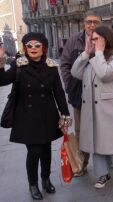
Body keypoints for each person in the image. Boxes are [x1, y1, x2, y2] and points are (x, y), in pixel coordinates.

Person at [0, 32, 71, 200]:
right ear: (25, 48)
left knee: (46, 151)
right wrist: (1, 61)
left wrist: (65, 114)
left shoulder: (51, 67)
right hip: (26, 117)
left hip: (47, 115)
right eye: (29, 46)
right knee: (34, 152)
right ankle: (33, 184)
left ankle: (45, 179)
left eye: (37, 46)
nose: (33, 49)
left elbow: (59, 93)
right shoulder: (19, 65)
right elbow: (2, 80)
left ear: (43, 48)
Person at [71, 25, 113, 189]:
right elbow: (75, 72)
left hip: (109, 109)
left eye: (96, 38)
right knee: (96, 144)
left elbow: (105, 74)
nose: (93, 41)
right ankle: (102, 174)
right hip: (92, 108)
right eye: (92, 38)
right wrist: (85, 53)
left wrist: (97, 53)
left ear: (106, 39)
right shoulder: (91, 58)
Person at [60, 11, 101, 176]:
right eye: (89, 22)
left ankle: (108, 160)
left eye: (95, 22)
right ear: (84, 23)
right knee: (81, 131)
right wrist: (70, 86)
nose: (92, 25)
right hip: (80, 94)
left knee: (104, 128)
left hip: (101, 93)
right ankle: (82, 164)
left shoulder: (106, 39)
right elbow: (64, 64)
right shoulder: (74, 40)